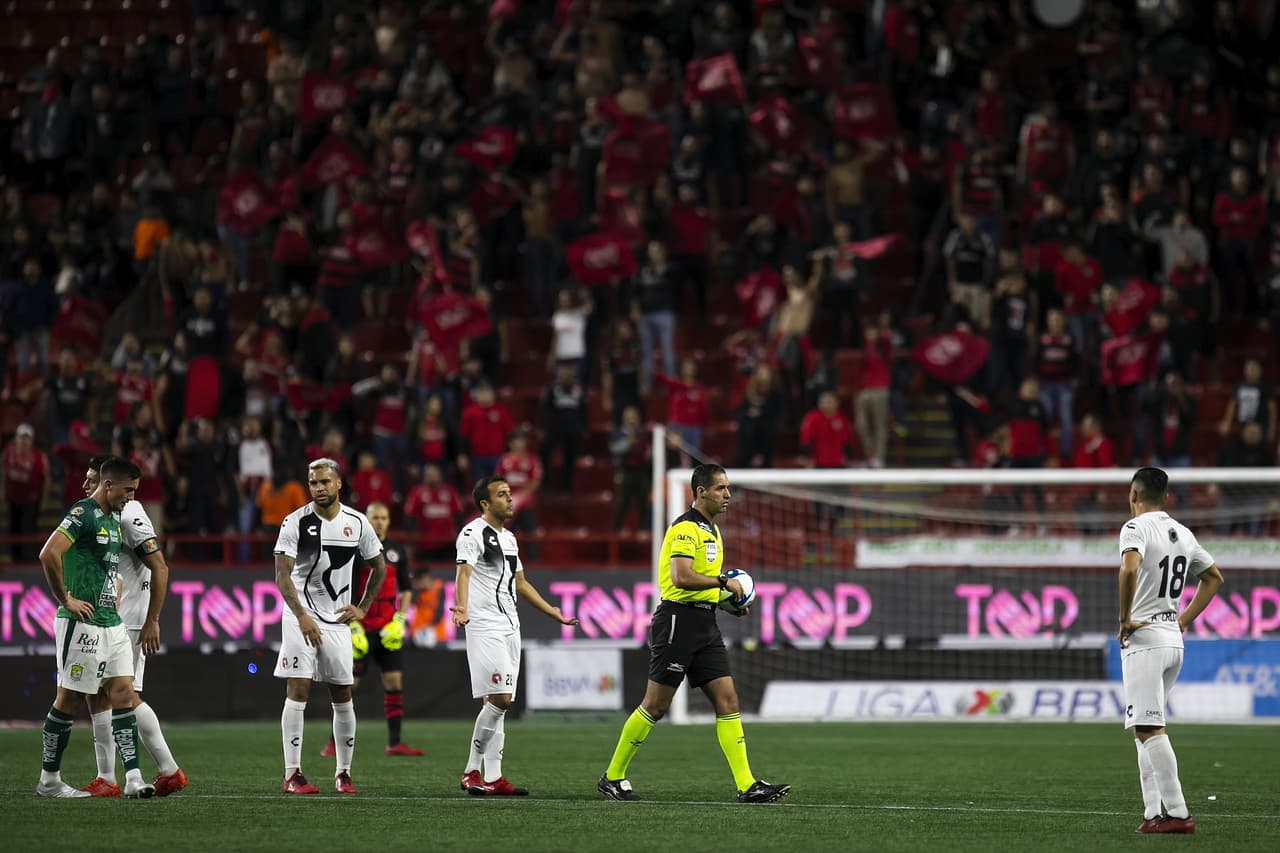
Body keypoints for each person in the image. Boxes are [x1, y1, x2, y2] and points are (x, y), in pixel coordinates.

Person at [598, 464, 790, 804]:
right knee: (656, 706)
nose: (728, 495)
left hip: (705, 623)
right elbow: (682, 578)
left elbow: (703, 586)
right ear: (700, 492)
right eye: (720, 489)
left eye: (728, 488)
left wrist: (729, 602)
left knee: (727, 700)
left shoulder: (713, 531)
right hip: (677, 621)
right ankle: (613, 776)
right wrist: (721, 583)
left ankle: (747, 785)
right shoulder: (686, 529)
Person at [453, 476, 579, 796]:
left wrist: (553, 612)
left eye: (510, 493)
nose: (510, 499)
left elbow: (520, 584)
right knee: (501, 700)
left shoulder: (509, 538)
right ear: (485, 503)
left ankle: (494, 777)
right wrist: (461, 607)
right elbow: (463, 573)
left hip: (511, 626)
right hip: (484, 625)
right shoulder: (472, 533)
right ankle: (471, 770)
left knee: (497, 702)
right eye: (502, 494)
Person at [35, 456, 153, 798]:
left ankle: (132, 778)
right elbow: (48, 554)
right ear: (109, 485)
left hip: (110, 622)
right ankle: (49, 781)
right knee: (68, 698)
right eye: (128, 490)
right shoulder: (82, 513)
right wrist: (65, 599)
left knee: (123, 693)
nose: (131, 497)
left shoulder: (115, 517)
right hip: (80, 622)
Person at [1118, 467, 1224, 834]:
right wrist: (1186, 618)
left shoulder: (1135, 528)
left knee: (1149, 727)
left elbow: (1129, 569)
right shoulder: (1184, 533)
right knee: (1143, 727)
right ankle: (1151, 814)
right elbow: (1214, 578)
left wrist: (1124, 619)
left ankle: (1178, 814)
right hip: (1173, 640)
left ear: (1133, 495)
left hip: (1145, 639)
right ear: (1166, 498)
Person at [273, 458, 387, 795]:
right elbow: (282, 576)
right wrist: (302, 616)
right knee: (298, 689)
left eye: (325, 482)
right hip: (300, 616)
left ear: (339, 483)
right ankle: (292, 774)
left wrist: (364, 607)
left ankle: (344, 774)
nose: (319, 488)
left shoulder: (357, 522)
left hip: (337, 620)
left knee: (343, 692)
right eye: (313, 483)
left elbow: (379, 568)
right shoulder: (295, 522)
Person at [78, 455, 187, 798]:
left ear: (107, 482)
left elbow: (160, 567)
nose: (85, 486)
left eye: (91, 480)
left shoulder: (130, 512)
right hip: (107, 618)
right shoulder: (101, 514)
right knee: (97, 694)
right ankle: (107, 777)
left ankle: (168, 770)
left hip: (129, 619)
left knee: (124, 694)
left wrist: (153, 619)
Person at [321, 502, 424, 758]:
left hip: (388, 629)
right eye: (375, 517)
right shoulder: (355, 548)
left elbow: (407, 589)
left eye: (384, 517)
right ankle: (333, 742)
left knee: (394, 683)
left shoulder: (397, 550)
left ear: (389, 521)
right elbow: (343, 587)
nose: (379, 522)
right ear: (366, 520)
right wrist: (351, 624)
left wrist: (400, 619)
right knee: (348, 686)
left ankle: (395, 742)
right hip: (360, 629)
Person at [3, 423, 50, 561]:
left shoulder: (39, 457)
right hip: (13, 498)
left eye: (26, 438)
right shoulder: (9, 453)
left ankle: (27, 559)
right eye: (21, 437)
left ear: (31, 440)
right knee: (13, 529)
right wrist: (3, 492)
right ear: (16, 439)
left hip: (31, 500)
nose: (23, 441)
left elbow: (46, 478)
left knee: (28, 529)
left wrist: (45, 499)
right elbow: (5, 473)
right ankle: (14, 559)